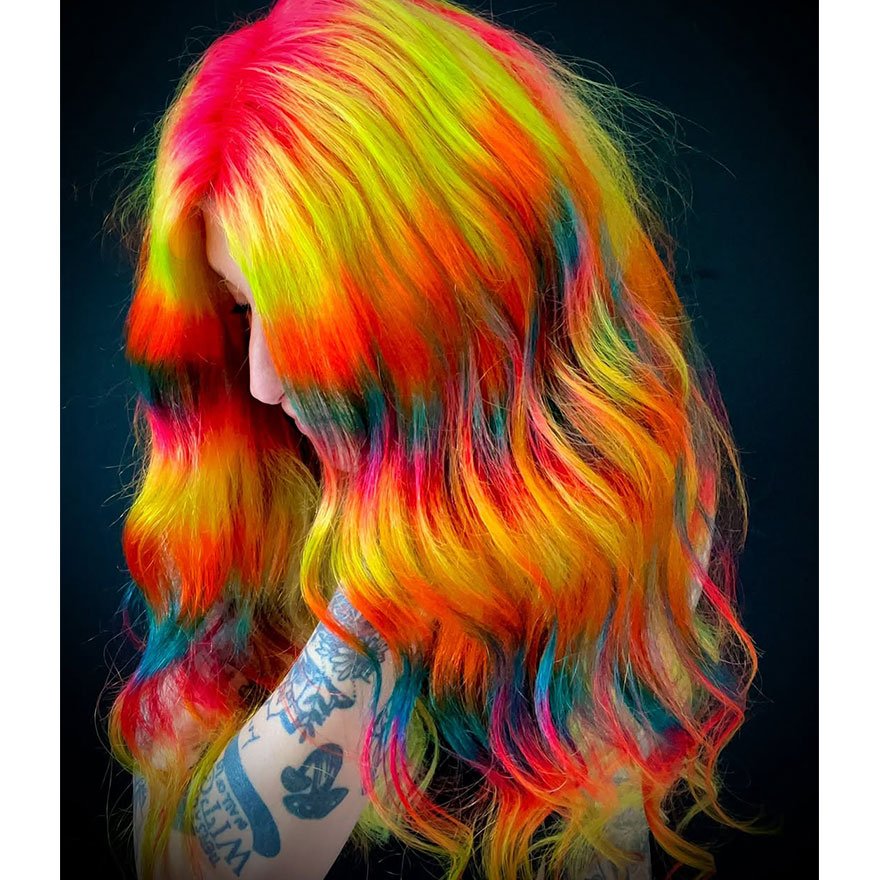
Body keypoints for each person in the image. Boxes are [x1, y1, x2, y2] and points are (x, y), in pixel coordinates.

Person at [106, 1, 757, 878]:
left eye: (306, 323)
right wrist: (391, 572)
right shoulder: (242, 485)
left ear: (455, 314)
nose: (261, 380)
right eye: (241, 311)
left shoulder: (611, 505)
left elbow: (600, 849)